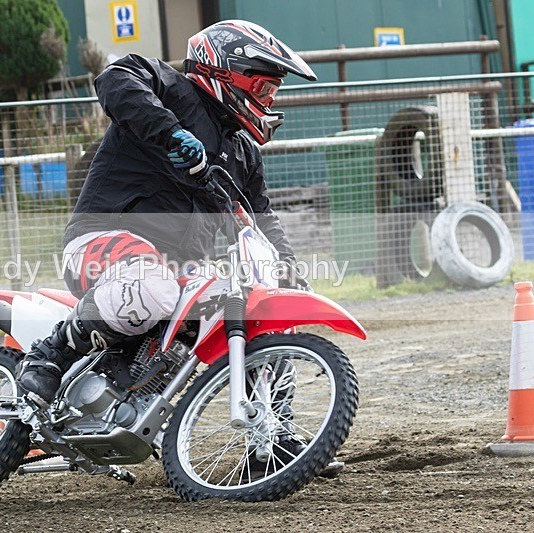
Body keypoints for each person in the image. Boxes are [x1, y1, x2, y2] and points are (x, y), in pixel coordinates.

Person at [17, 20, 316, 408]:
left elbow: (262, 218)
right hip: (99, 241)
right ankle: (50, 355)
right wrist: (170, 132)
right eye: (263, 88)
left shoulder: (244, 154)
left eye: (273, 92)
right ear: (228, 72)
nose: (269, 101)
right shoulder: (171, 89)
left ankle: (273, 424)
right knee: (154, 285)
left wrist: (287, 269)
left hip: (177, 270)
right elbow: (115, 78)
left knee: (251, 308)